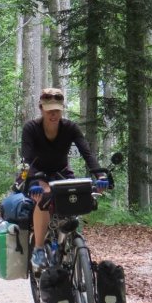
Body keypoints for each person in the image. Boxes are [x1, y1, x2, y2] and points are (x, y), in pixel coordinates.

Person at [21, 87, 107, 271]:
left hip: (61, 173)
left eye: (57, 110)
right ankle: (38, 249)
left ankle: (69, 244)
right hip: (37, 173)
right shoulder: (31, 129)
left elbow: (87, 153)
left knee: (75, 198)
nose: (53, 114)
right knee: (43, 197)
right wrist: (35, 181)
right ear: (41, 108)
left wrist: (100, 174)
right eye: (49, 109)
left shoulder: (70, 128)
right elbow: (27, 160)